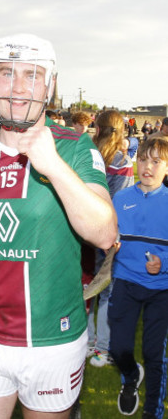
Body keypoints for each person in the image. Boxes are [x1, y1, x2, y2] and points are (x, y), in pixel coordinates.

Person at [0, 34, 117, 419]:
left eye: (32, 75)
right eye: (6, 73)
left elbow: (105, 233)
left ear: (49, 85)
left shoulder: (76, 148)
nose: (17, 86)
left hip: (54, 340)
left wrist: (52, 166)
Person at [108, 138, 168, 418]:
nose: (148, 167)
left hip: (162, 290)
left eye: (157, 161)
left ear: (166, 167)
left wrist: (164, 263)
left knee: (155, 355)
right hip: (125, 283)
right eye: (144, 159)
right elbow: (105, 239)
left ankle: (152, 412)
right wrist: (108, 244)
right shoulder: (120, 199)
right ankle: (131, 377)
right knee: (118, 349)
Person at [87, 110, 135, 368]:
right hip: (108, 233)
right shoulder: (121, 160)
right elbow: (122, 202)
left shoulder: (87, 153)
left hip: (84, 231)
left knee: (88, 288)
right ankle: (101, 349)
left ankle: (89, 343)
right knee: (106, 292)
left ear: (98, 128)